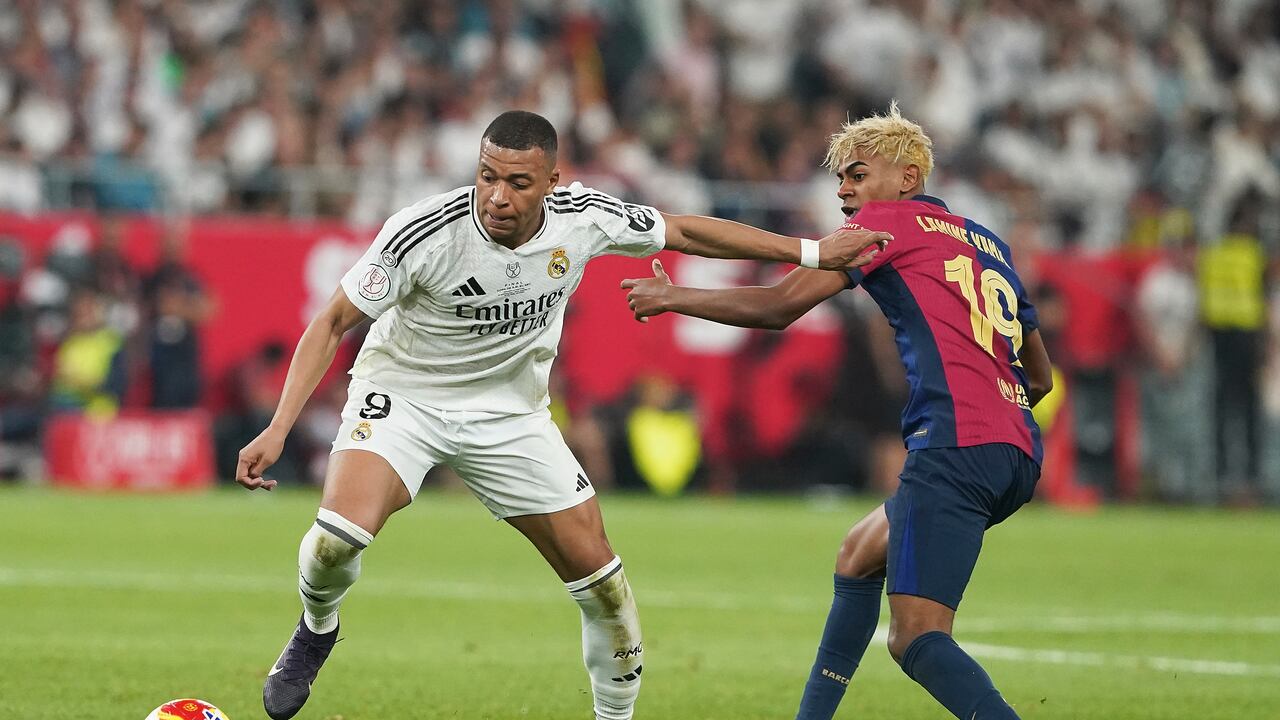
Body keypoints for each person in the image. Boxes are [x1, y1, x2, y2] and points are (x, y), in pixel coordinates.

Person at [234, 109, 889, 720]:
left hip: (510, 416)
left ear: (552, 181)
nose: (497, 196)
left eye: (518, 183)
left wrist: (809, 252)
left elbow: (685, 230)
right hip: (406, 396)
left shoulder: (585, 218)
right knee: (335, 540)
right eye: (487, 176)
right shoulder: (425, 231)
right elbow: (333, 321)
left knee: (603, 583)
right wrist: (278, 427)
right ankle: (316, 629)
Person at [622, 104, 1053, 720]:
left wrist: (673, 296)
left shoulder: (885, 225)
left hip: (956, 446)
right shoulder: (988, 242)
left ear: (907, 178)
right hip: (1015, 449)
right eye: (840, 180)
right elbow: (1040, 376)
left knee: (917, 639)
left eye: (857, 174)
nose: (845, 191)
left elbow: (778, 307)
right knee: (858, 554)